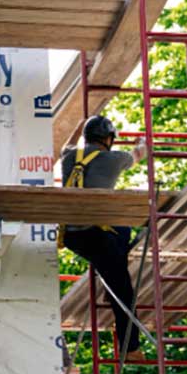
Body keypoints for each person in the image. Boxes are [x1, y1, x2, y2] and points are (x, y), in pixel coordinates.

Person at [61, 116, 146, 361]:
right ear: (109, 140)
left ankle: (110, 272)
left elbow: (68, 143)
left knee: (116, 255)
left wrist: (81, 125)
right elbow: (139, 153)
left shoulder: (68, 156)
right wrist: (142, 142)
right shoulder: (115, 158)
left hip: (73, 236)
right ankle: (130, 349)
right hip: (98, 235)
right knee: (123, 290)